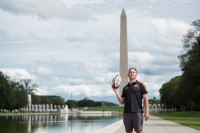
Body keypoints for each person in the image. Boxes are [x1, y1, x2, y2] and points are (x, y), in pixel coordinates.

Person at [112, 67, 149, 133]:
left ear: (136, 74)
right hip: (126, 113)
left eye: (133, 72)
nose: (132, 73)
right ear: (128, 75)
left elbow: (146, 99)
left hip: (137, 112)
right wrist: (116, 92)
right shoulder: (125, 88)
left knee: (139, 131)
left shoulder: (141, 85)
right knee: (128, 131)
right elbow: (122, 102)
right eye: (130, 72)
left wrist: (147, 112)